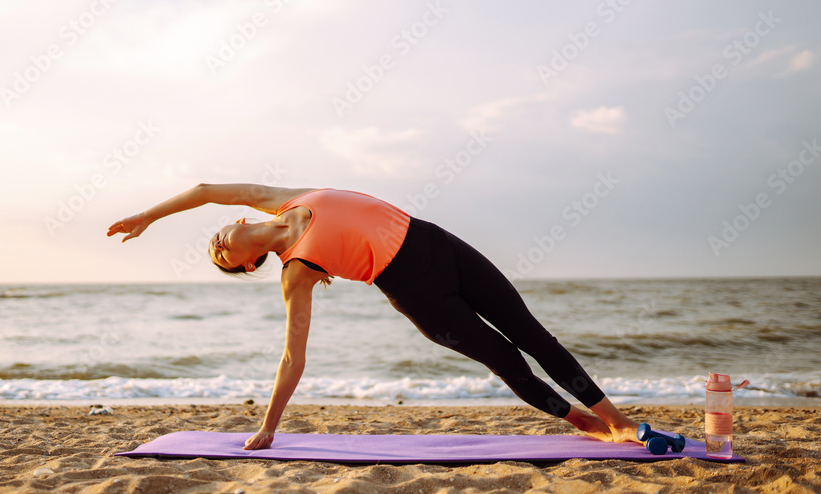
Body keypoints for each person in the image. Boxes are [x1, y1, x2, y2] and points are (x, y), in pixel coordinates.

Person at [107, 183, 640, 450]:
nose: (219, 246)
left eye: (217, 242)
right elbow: (294, 353)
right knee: (509, 362)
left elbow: (203, 191)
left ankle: (617, 421)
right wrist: (270, 426)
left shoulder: (281, 197)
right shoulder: (297, 270)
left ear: (241, 220)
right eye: (222, 259)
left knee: (531, 333)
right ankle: (579, 422)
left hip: (437, 243)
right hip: (417, 295)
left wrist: (148, 216)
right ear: (251, 264)